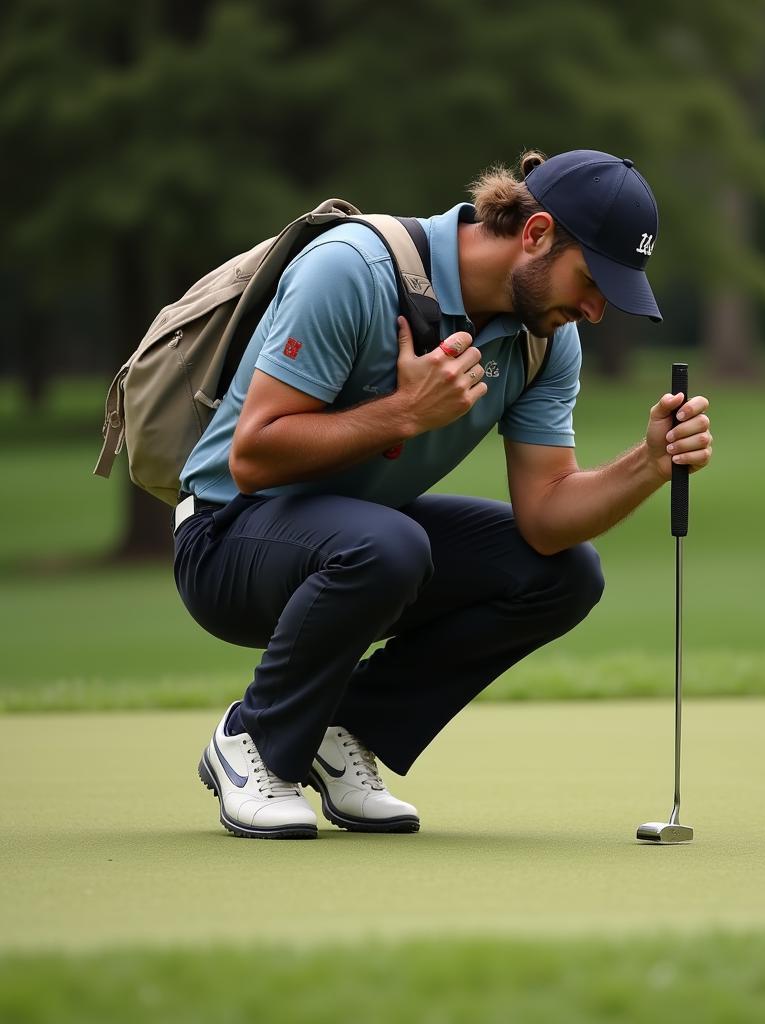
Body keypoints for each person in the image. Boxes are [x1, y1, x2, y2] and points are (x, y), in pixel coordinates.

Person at [175, 148, 714, 839]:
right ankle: (251, 739)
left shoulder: (545, 339)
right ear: (536, 233)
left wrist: (648, 462)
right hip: (226, 539)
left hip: (357, 547)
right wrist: (403, 414)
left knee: (564, 572)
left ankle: (342, 729)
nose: (596, 310)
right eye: (592, 280)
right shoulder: (354, 271)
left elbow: (548, 519)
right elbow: (251, 457)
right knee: (389, 544)